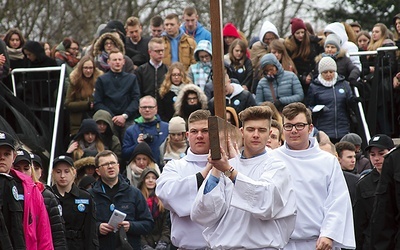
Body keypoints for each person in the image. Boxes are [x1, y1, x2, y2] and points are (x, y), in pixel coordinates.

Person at [190, 106, 296, 249]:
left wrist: (228, 171)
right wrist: (216, 169)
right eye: (251, 129)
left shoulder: (277, 166)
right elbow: (202, 214)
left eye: (262, 130)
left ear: (270, 133)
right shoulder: (225, 165)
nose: (256, 135)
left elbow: (264, 202)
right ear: (242, 132)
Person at [269, 102, 355, 249]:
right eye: (288, 126)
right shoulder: (271, 159)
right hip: (280, 243)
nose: (293, 130)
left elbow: (338, 200)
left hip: (318, 243)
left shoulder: (327, 161)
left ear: (310, 128)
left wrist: (329, 234)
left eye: (299, 125)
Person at [156, 110, 212, 249]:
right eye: (194, 131)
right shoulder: (175, 166)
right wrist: (205, 172)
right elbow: (167, 195)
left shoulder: (227, 165)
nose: (199, 136)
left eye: (205, 131)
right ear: (187, 135)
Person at [89, 150, 154, 250]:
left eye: (112, 163)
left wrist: (131, 226)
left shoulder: (134, 193)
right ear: (98, 171)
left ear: (118, 166)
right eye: (105, 164)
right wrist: (97, 228)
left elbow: (148, 224)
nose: (110, 166)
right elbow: (80, 226)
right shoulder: (90, 195)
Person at [13, 149, 68, 250]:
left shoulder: (45, 195)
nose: (22, 173)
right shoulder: (9, 191)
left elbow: (57, 234)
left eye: (26, 169)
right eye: (17, 168)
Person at [354, 134, 394, 249]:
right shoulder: (363, 184)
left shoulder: (396, 179)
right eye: (372, 155)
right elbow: (359, 223)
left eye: (381, 154)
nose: (376, 158)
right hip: (372, 244)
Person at [52, 155, 98, 249]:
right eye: (58, 171)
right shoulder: (47, 196)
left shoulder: (85, 197)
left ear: (74, 172)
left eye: (67, 171)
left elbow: (90, 231)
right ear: (53, 173)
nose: (62, 176)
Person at [94, 49, 140, 141]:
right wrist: (113, 118)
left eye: (119, 59)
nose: (117, 62)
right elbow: (98, 102)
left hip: (128, 119)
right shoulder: (101, 80)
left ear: (124, 62)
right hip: (109, 121)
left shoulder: (132, 79)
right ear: (108, 62)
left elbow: (136, 99)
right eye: (114, 60)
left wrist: (124, 116)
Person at [306, 56, 356, 143]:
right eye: (325, 72)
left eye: (331, 71)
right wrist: (316, 109)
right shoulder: (314, 86)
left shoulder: (343, 84)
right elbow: (308, 107)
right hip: (323, 129)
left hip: (343, 128)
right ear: (320, 72)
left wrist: (353, 101)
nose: (329, 74)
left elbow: (350, 101)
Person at [122, 96, 169, 167]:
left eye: (150, 107)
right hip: (140, 172)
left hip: (163, 170)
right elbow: (125, 155)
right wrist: (137, 145)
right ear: (139, 109)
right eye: (144, 107)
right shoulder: (131, 130)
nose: (147, 110)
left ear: (156, 109)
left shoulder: (166, 128)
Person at [284, 17, 324, 96]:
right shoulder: (289, 47)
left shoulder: (315, 43)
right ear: (293, 34)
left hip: (314, 77)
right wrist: (301, 78)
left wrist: (312, 75)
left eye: (302, 32)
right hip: (297, 80)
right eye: (297, 33)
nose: (301, 35)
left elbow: (320, 60)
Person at [65, 55, 103, 136]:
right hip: (78, 123)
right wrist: (86, 104)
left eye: (90, 68)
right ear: (81, 68)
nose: (88, 71)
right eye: (85, 68)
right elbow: (68, 103)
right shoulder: (74, 82)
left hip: (96, 120)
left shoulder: (99, 81)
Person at [0, 131, 26, 249]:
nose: (2, 158)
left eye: (6, 154)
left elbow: (16, 227)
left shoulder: (13, 182)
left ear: (14, 157)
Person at [139, 168, 171, 250]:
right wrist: (144, 245)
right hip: (143, 243)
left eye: (154, 178)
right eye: (147, 178)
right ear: (143, 180)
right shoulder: (138, 199)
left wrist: (163, 242)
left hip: (160, 243)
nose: (150, 180)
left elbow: (166, 226)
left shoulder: (163, 200)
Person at [250, 20, 280, 92]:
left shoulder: (281, 44)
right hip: (262, 78)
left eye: (272, 39)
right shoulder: (256, 47)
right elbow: (253, 66)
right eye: (267, 39)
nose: (269, 41)